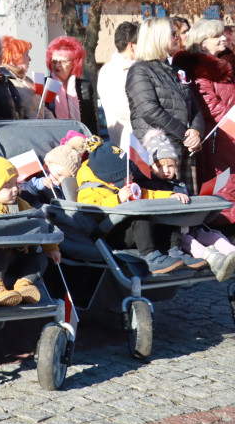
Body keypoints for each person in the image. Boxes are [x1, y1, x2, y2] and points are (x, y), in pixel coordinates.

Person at [75, 138, 187, 274]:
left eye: (131, 175)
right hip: (112, 234)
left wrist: (169, 196)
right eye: (127, 177)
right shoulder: (89, 191)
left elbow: (147, 193)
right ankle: (151, 258)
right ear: (112, 181)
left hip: (133, 231)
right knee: (140, 215)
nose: (132, 179)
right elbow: (92, 213)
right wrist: (118, 199)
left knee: (165, 212)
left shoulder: (124, 185)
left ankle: (174, 250)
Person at [140, 130, 235, 281]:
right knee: (191, 242)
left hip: (190, 227)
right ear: (151, 166)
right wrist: (171, 197)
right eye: (160, 166)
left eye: (170, 166)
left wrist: (200, 200)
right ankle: (214, 260)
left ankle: (231, 252)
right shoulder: (151, 185)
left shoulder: (179, 184)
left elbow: (190, 199)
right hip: (172, 234)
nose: (166, 170)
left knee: (213, 236)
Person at [0, 155, 60, 306]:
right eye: (7, 186)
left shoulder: (19, 204)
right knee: (0, 253)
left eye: (15, 184)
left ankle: (23, 284)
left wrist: (51, 248)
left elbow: (38, 223)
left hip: (17, 254)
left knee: (40, 259)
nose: (15, 189)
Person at [127, 17, 204, 191]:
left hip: (182, 148)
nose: (177, 37)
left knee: (188, 201)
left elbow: (194, 106)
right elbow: (150, 110)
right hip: (158, 154)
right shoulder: (139, 71)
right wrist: (185, 134)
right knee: (166, 202)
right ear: (158, 37)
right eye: (172, 34)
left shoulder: (175, 70)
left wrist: (196, 131)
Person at [172, 18, 235, 226]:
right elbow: (211, 107)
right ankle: (223, 226)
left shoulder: (226, 67)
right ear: (202, 43)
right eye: (216, 36)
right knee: (223, 182)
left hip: (229, 133)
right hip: (218, 136)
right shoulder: (199, 72)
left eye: (222, 34)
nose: (222, 38)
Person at [45, 36, 98, 134]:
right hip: (53, 138)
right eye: (54, 61)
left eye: (63, 61)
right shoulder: (46, 85)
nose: (57, 65)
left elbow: (91, 122)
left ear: (74, 63)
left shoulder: (84, 86)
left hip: (80, 139)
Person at [97, 22, 139, 143]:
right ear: (131, 45)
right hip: (129, 141)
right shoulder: (111, 71)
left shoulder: (135, 67)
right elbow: (124, 109)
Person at [1, 36, 40, 118]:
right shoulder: (4, 81)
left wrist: (52, 123)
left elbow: (44, 109)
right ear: (15, 56)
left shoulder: (29, 80)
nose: (30, 59)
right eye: (27, 54)